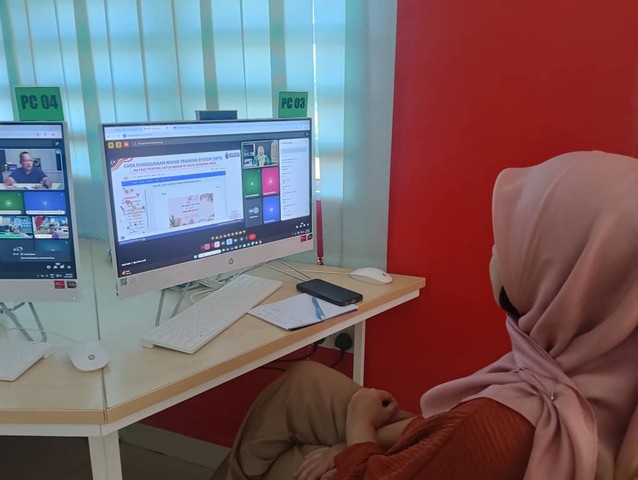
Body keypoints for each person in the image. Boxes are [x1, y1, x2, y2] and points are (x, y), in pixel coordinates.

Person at [211, 151, 638, 480]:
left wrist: (356, 433)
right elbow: (450, 438)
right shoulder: (600, 367)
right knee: (304, 382)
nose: (495, 253)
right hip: (449, 448)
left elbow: (455, 444)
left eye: (512, 243)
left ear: (566, 277)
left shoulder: (498, 426)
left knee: (289, 461)